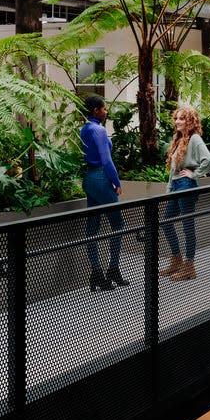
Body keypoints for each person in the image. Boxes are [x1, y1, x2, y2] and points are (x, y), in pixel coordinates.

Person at [160, 107, 210, 281]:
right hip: (177, 185)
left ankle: (189, 266)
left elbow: (209, 160)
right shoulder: (178, 139)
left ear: (190, 121)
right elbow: (173, 170)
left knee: (187, 226)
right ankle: (177, 260)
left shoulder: (194, 139)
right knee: (166, 222)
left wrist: (194, 174)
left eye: (182, 119)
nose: (177, 121)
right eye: (176, 118)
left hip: (187, 185)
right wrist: (168, 189)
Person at [80, 95, 128, 292]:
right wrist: (116, 182)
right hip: (101, 177)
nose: (106, 111)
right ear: (96, 111)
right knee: (118, 223)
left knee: (93, 226)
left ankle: (96, 273)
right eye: (104, 108)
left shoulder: (84, 129)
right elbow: (107, 160)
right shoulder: (99, 130)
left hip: (89, 179)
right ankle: (113, 269)